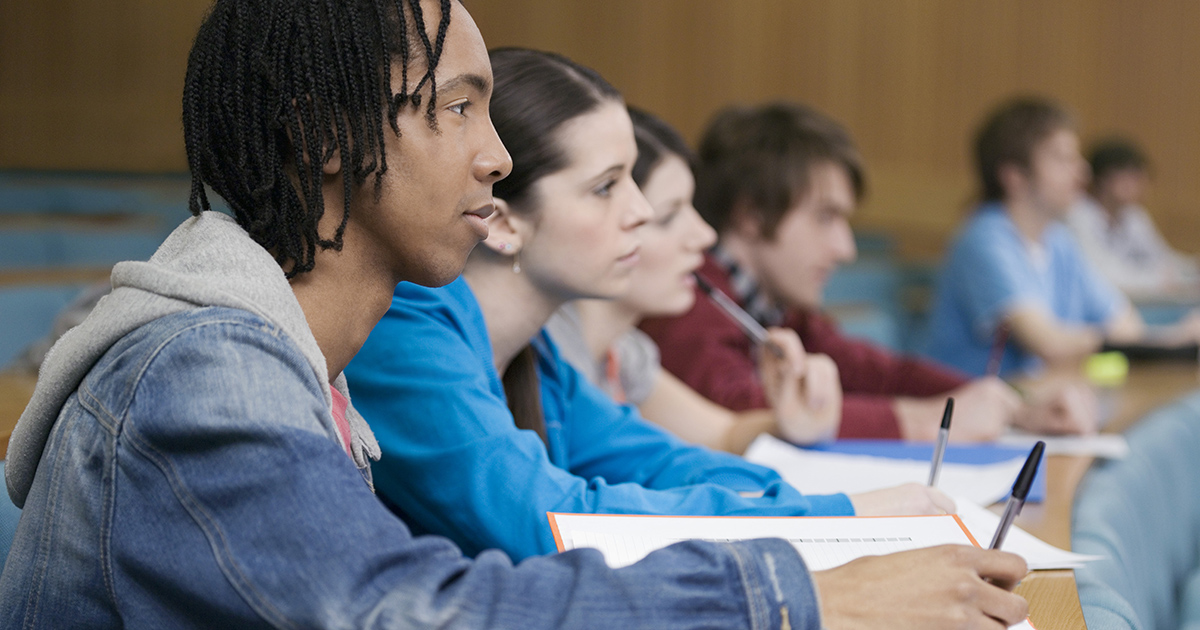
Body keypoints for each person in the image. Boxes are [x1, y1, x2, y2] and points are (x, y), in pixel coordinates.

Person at [0, 3, 1029, 628]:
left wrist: (836, 540)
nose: (495, 156)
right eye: (457, 108)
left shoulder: (304, 352)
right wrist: (803, 598)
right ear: (321, 137)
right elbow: (400, 613)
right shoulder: (207, 369)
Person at [345, 48, 958, 564]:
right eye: (607, 187)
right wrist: (834, 515)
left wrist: (819, 506)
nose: (640, 213)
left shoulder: (539, 354)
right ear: (503, 224)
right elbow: (553, 519)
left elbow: (664, 463)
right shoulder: (407, 327)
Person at [642, 101, 1094, 441]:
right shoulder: (686, 298)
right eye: (826, 217)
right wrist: (924, 421)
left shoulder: (773, 306)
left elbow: (879, 372)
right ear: (752, 214)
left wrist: (1012, 405)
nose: (845, 249)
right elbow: (751, 413)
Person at [545, 107, 842, 454]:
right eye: (669, 216)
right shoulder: (552, 356)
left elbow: (724, 435)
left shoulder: (625, 352)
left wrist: (791, 421)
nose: (704, 235)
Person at [925, 98, 1200, 378]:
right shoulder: (984, 239)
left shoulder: (1057, 241)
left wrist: (1161, 340)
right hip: (965, 411)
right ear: (1014, 176)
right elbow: (1048, 343)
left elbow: (1125, 323)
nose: (1081, 171)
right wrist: (1167, 341)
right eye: (1061, 159)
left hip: (1032, 404)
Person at [1066, 137, 1200, 299]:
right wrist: (1159, 280)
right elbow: (1104, 276)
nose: (1136, 184)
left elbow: (1162, 258)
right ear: (1102, 178)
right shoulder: (1077, 214)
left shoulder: (1134, 216)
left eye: (1139, 176)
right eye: (1128, 175)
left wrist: (1193, 267)